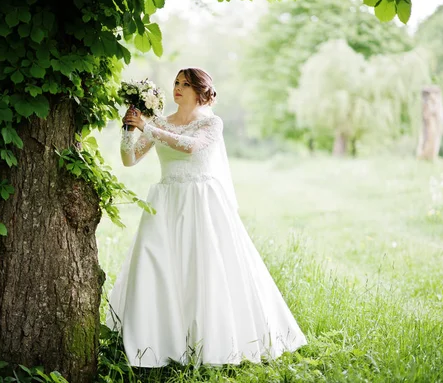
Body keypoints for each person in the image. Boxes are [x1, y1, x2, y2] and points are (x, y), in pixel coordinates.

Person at [106, 68, 307, 367]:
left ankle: (210, 341)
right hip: (165, 200)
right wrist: (129, 130)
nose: (178, 88)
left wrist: (147, 127)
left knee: (203, 269)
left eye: (186, 84)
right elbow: (130, 159)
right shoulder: (160, 122)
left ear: (201, 91)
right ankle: (159, 339)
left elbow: (191, 147)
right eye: (176, 83)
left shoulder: (212, 123)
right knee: (159, 266)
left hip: (201, 202)